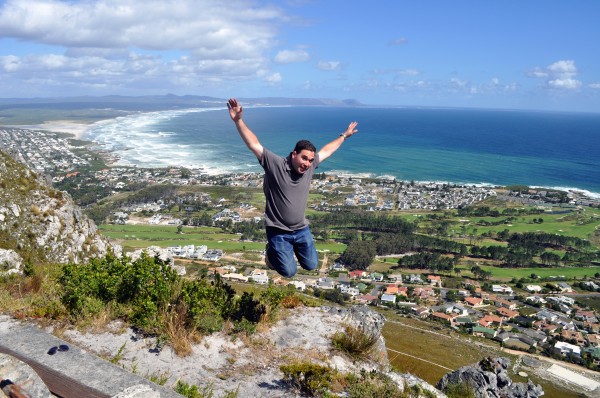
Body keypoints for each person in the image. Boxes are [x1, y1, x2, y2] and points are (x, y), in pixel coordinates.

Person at [227, 98, 358, 278]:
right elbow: (254, 144)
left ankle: (290, 250)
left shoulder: (310, 167)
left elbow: (327, 150)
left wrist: (344, 135)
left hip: (301, 229)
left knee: (311, 265)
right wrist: (238, 120)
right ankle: (271, 253)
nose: (307, 164)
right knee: (289, 272)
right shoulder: (276, 165)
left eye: (311, 160)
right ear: (294, 154)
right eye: (304, 158)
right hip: (278, 231)